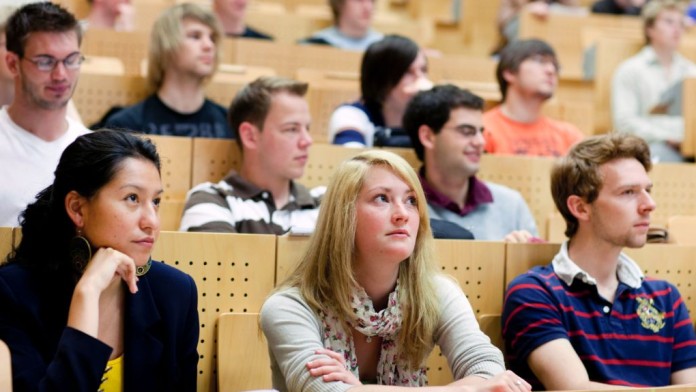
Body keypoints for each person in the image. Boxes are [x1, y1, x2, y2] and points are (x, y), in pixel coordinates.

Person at [260, 149, 531, 391]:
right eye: (381, 198)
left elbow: (489, 370)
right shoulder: (289, 307)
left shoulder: (437, 291)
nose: (402, 213)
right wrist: (470, 390)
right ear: (344, 217)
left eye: (411, 200)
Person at [0, 130, 199, 391]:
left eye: (156, 201)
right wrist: (88, 292)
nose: (152, 221)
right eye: (132, 198)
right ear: (77, 208)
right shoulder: (12, 293)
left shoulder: (175, 293)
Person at [502, 133, 696, 390]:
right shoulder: (534, 291)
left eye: (647, 190)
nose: (649, 204)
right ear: (581, 208)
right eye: (628, 192)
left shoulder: (666, 296)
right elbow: (575, 390)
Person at [179, 76, 322, 234]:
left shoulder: (326, 202)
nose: (307, 141)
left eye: (307, 128)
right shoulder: (210, 201)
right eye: (291, 129)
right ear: (250, 136)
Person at [404, 84, 539, 242]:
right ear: (428, 136)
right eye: (467, 131)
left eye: (481, 132)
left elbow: (542, 267)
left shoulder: (512, 204)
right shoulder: (403, 208)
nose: (480, 142)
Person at [0, 2, 90, 227]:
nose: (60, 75)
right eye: (45, 62)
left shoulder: (93, 150)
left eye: (71, 60)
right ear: (12, 64)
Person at [103, 3, 233, 139]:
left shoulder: (229, 123)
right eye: (195, 36)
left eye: (212, 38)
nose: (209, 45)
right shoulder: (127, 124)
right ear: (166, 45)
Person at [612, 0, 696, 162]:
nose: (677, 29)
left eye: (680, 23)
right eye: (669, 21)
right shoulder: (630, 70)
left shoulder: (692, 71)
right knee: (661, 157)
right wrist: (667, 137)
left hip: (690, 144)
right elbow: (624, 124)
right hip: (652, 145)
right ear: (650, 28)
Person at [483, 39, 584, 157]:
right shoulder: (483, 131)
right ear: (509, 72)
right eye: (540, 61)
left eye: (555, 66)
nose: (551, 70)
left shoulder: (569, 136)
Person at [329, 34, 432, 147]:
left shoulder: (430, 118)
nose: (420, 79)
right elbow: (352, 161)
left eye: (423, 70)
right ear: (382, 80)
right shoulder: (349, 114)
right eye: (408, 72)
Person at [299, 0, 382, 51]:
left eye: (371, 0)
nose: (368, 7)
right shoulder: (313, 45)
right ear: (339, 3)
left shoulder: (383, 46)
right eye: (359, 0)